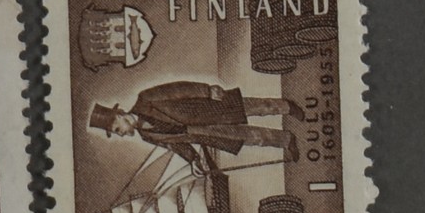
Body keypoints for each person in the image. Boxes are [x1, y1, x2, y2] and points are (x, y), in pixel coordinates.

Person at [87, 82, 290, 161]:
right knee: (248, 137)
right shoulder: (146, 136)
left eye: (117, 129)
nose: (121, 134)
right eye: (117, 133)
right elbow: (176, 145)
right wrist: (193, 159)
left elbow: (178, 89)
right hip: (204, 133)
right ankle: (286, 140)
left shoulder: (145, 98)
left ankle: (287, 106)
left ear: (120, 115)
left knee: (254, 107)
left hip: (206, 108)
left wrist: (207, 91)